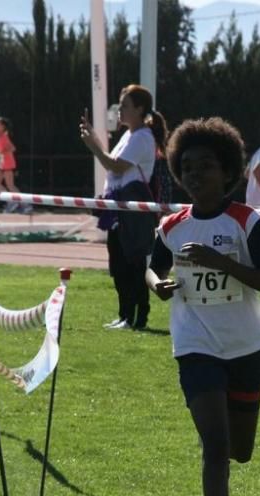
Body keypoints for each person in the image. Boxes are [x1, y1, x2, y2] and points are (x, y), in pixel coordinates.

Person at [145, 117, 260, 496]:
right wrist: (157, 285)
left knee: (240, 450)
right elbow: (153, 267)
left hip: (245, 344)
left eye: (206, 165)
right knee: (216, 445)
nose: (196, 174)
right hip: (194, 342)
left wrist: (222, 262)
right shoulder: (170, 226)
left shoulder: (248, 221)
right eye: (187, 167)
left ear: (227, 172)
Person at [80, 84, 168, 330]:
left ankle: (138, 318)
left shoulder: (143, 137)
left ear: (140, 109)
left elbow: (116, 166)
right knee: (118, 264)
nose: (120, 109)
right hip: (119, 206)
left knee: (133, 263)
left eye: (126, 105)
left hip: (133, 208)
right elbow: (111, 161)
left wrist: (93, 146)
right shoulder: (129, 135)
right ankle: (125, 315)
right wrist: (93, 138)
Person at [0, 116, 28, 214]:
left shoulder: (4, 136)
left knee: (10, 185)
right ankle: (12, 201)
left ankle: (24, 204)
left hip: (7, 164)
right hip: (2, 164)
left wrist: (2, 151)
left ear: (3, 127)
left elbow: (12, 148)